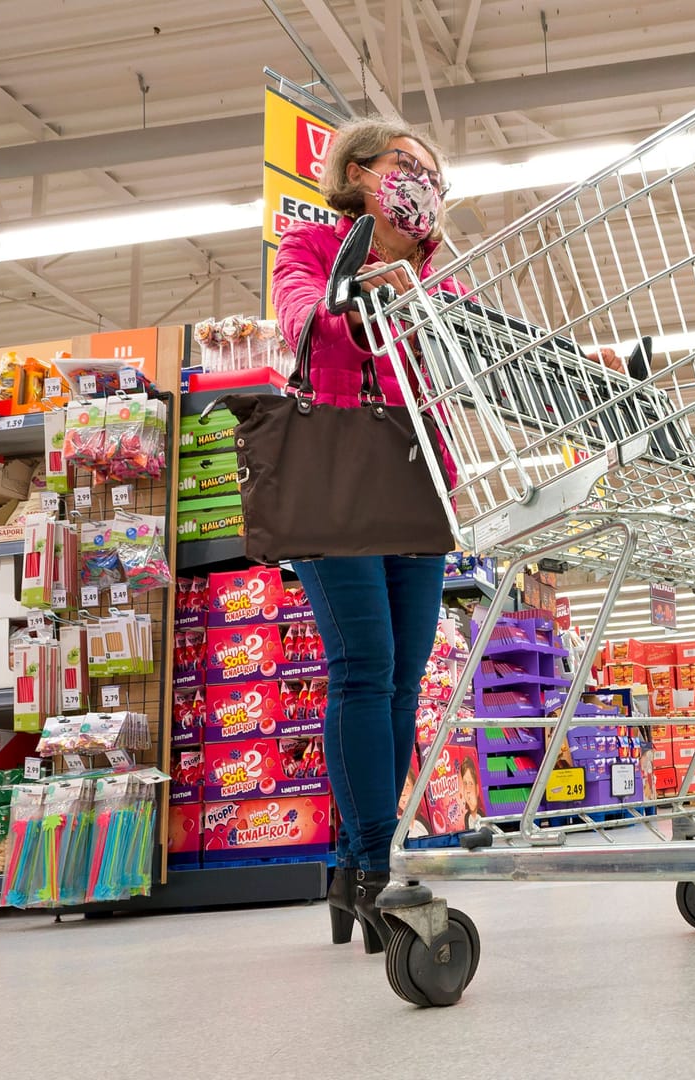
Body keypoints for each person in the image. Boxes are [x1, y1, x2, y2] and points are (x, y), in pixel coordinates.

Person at [270, 117, 458, 954]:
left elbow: (470, 351)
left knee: (403, 679)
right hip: (335, 476)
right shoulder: (311, 245)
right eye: (408, 165)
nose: (424, 182)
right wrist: (368, 298)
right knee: (363, 667)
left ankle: (357, 860)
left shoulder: (434, 273)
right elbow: (302, 322)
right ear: (356, 170)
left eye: (434, 174)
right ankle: (375, 861)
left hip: (417, 478)